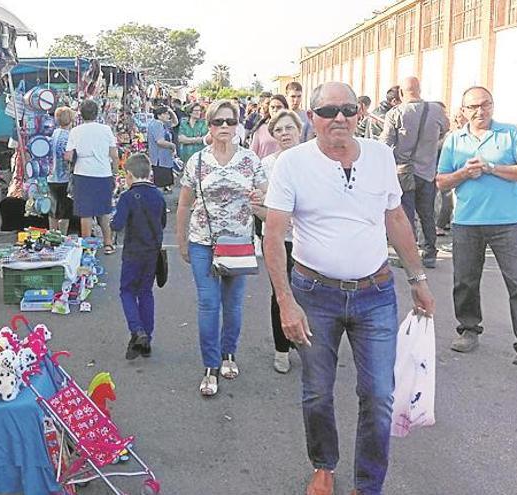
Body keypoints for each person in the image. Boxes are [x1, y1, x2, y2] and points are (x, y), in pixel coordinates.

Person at [262, 82, 435, 495]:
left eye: (347, 109)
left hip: (375, 295)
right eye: (328, 111)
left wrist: (417, 278)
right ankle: (324, 465)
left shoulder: (379, 155)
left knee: (378, 396)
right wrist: (286, 303)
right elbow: (273, 235)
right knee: (318, 392)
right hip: (313, 295)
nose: (339, 117)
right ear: (312, 118)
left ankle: (368, 485)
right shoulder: (292, 164)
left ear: (359, 112)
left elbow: (395, 219)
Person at [435, 86, 517, 368]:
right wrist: (464, 173)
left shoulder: (510, 134)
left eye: (485, 105)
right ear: (464, 110)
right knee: (465, 281)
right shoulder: (454, 140)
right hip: (467, 221)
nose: (479, 111)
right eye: (473, 107)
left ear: (492, 106)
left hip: (509, 222)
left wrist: (493, 168)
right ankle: (468, 330)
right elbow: (442, 181)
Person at [176, 99, 267, 397]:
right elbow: (184, 204)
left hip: (239, 242)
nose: (224, 127)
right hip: (203, 241)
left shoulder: (250, 160)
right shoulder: (197, 161)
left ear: (238, 124)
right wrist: (181, 241)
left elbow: (264, 196)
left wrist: (259, 196)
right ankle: (210, 365)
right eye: (218, 122)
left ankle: (229, 353)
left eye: (230, 121)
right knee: (208, 303)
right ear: (209, 126)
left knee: (234, 304)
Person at [252, 109, 303, 374]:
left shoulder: (315, 160)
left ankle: (305, 344)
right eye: (279, 130)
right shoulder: (266, 166)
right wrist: (272, 216)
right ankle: (281, 350)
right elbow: (258, 207)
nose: (285, 134)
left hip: (311, 241)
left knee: (310, 295)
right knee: (281, 294)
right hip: (278, 240)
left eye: (289, 128)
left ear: (300, 130)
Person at [380, 76, 450, 269]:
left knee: (406, 215)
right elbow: (446, 129)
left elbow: (385, 144)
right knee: (427, 214)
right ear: (420, 89)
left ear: (401, 93)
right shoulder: (436, 110)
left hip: (403, 173)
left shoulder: (395, 113)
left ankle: (408, 256)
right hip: (427, 172)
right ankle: (429, 254)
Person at [110, 153, 167, 360]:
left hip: (133, 252)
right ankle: (147, 339)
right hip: (152, 252)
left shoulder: (127, 197)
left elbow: (117, 224)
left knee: (126, 291)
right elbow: (162, 223)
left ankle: (137, 330)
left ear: (129, 175)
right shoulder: (158, 195)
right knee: (145, 292)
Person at [65, 99, 120, 254]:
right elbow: (114, 155)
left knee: (86, 212)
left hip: (82, 174)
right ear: (97, 113)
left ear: (81, 114)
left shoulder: (75, 131)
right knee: (104, 210)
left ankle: (87, 246)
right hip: (103, 173)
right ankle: (108, 243)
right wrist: (114, 172)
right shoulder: (106, 130)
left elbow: (68, 156)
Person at [436, 107, 468, 233]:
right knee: (447, 198)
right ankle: (441, 224)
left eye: (459, 116)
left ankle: (445, 223)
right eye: (457, 117)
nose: (458, 119)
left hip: (466, 173)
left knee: (450, 199)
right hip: (451, 171)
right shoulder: (452, 136)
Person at [47, 106, 75, 234]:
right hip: (64, 177)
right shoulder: (69, 136)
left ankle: (53, 234)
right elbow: (68, 157)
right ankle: (62, 236)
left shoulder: (54, 134)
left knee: (53, 208)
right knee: (64, 210)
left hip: (51, 176)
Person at [248, 94, 289, 159]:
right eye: (272, 107)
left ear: (285, 109)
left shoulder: (290, 129)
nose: (275, 110)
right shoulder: (260, 128)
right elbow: (252, 154)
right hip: (264, 167)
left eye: (279, 107)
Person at [147, 105, 178, 189]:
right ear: (159, 115)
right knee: (161, 183)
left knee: (166, 182)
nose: (168, 116)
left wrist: (171, 111)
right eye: (166, 114)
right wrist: (172, 145)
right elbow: (160, 142)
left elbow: (175, 122)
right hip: (159, 159)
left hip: (165, 158)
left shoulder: (164, 124)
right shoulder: (156, 125)